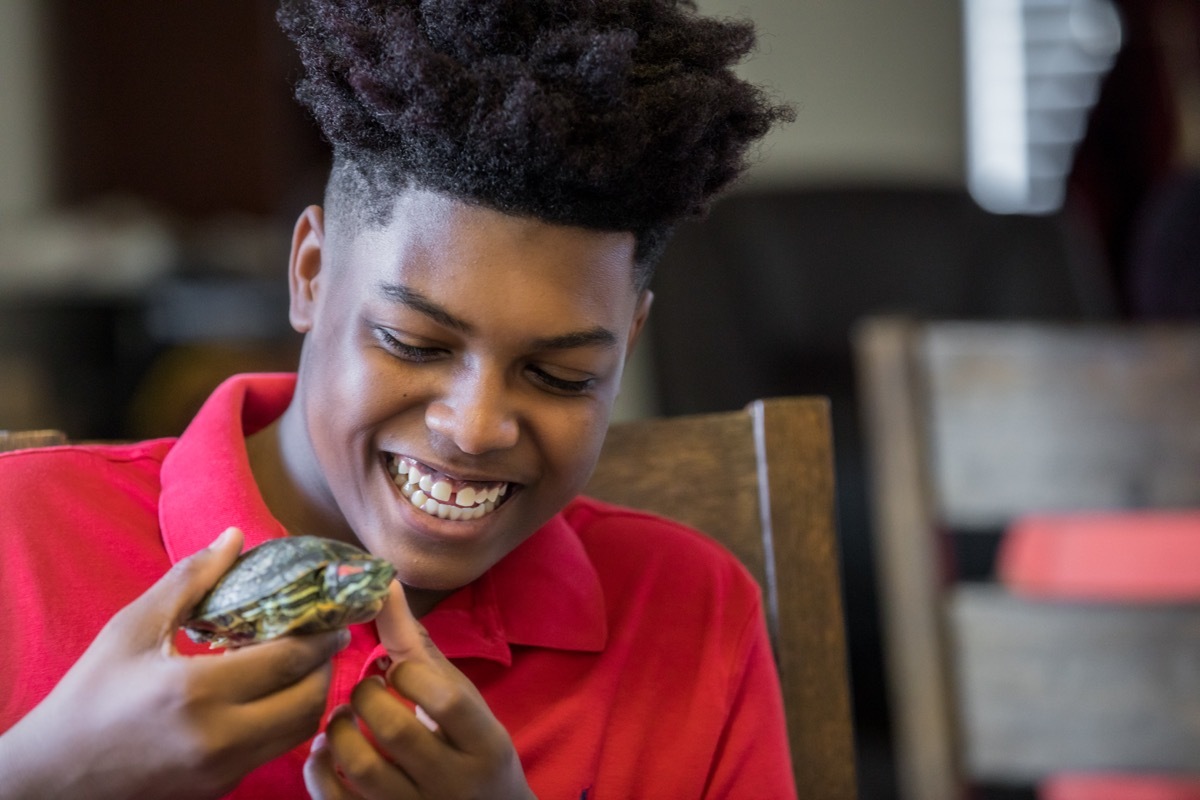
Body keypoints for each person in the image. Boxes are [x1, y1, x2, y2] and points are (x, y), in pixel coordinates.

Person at [0, 1, 794, 797]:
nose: (475, 428)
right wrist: (44, 776)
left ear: (630, 342)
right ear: (310, 274)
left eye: (561, 377)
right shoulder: (22, 536)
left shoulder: (690, 612)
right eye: (415, 344)